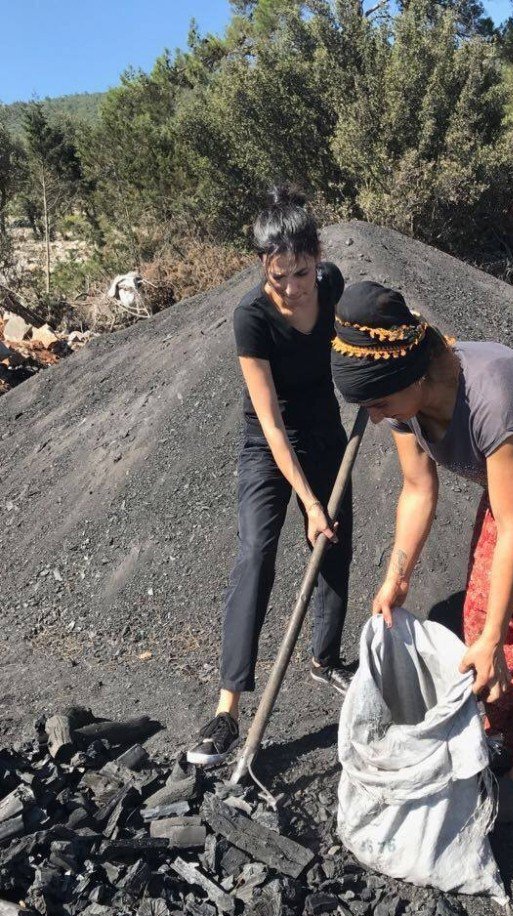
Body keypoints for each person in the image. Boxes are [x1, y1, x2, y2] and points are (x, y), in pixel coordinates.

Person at [330, 281, 513, 822]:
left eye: (378, 403)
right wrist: (397, 577)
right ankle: (496, 729)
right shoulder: (401, 406)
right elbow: (418, 490)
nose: (374, 418)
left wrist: (491, 641)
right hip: (509, 498)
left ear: (415, 376)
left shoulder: (497, 395)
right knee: (483, 616)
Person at [187, 186, 354, 766]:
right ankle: (227, 708)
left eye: (301, 273)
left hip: (328, 434)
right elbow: (274, 426)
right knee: (256, 553)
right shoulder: (251, 319)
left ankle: (325, 659)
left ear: (317, 257)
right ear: (264, 265)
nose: (291, 288)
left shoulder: (332, 284)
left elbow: (360, 339)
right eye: (279, 275)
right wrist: (307, 501)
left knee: (335, 548)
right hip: (268, 445)